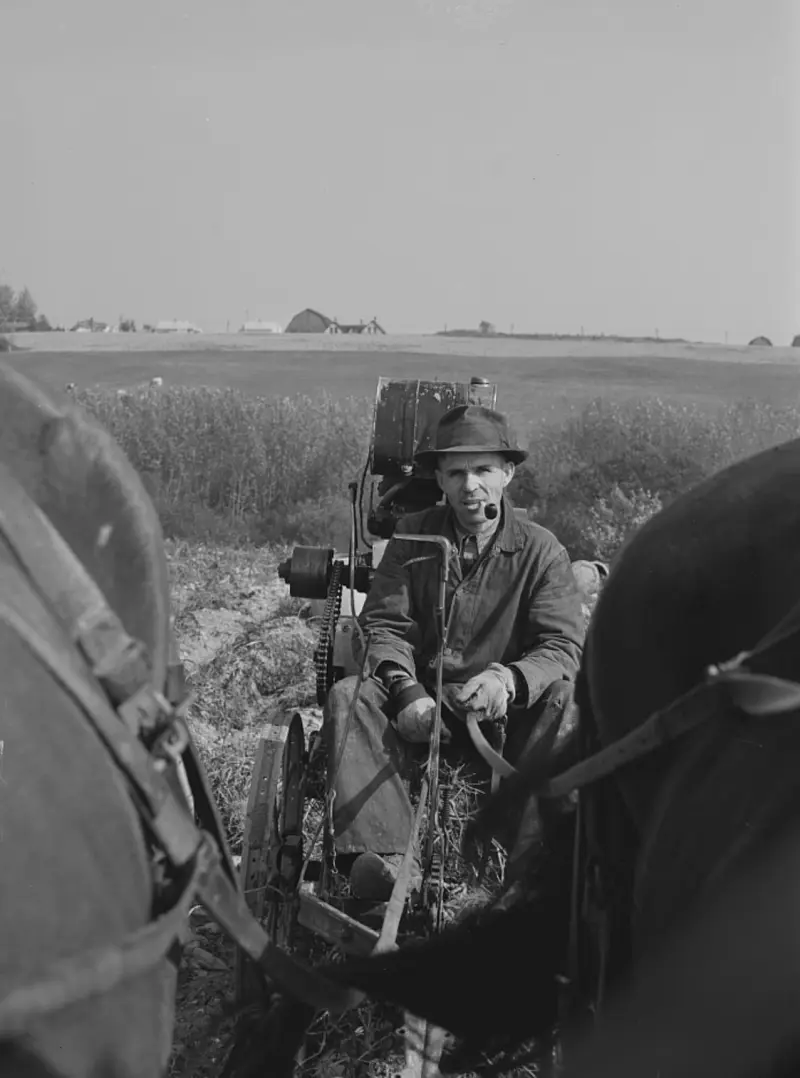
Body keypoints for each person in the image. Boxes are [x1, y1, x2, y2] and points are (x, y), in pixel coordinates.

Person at [323, 404, 585, 901]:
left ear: (508, 474)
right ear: (439, 479)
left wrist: (508, 681)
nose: (471, 486)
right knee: (347, 697)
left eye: (484, 470)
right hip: (424, 707)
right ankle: (387, 866)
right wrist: (407, 694)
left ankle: (531, 871)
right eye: (458, 472)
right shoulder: (413, 536)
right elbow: (385, 624)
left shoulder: (541, 551)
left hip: (507, 715)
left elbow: (561, 645)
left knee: (568, 702)